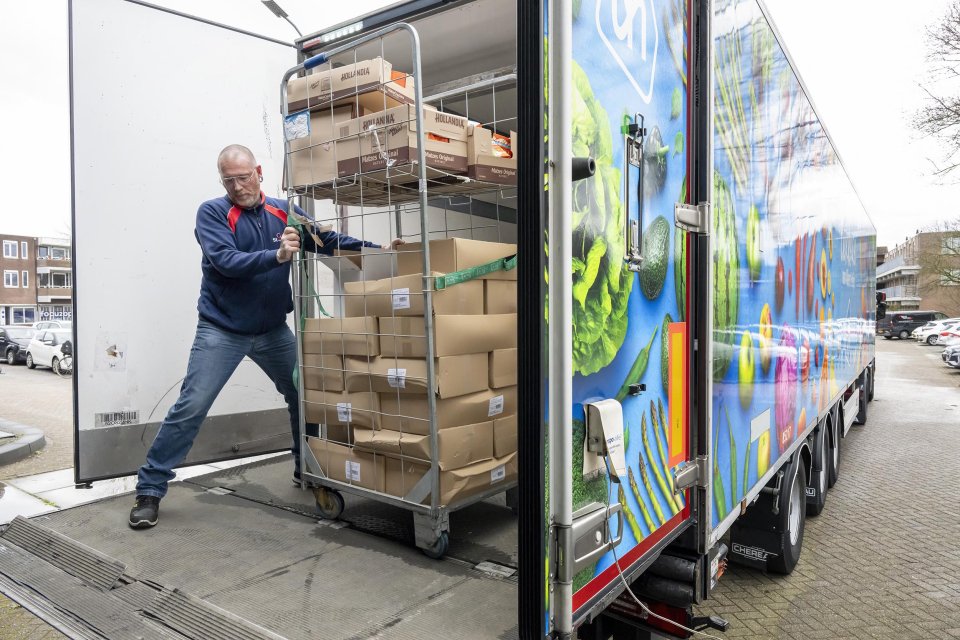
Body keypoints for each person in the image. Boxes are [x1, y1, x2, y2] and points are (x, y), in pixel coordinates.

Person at [129, 144, 401, 529]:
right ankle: (150, 490)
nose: (238, 186)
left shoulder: (284, 212)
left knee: (303, 395)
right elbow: (224, 260)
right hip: (222, 329)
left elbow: (326, 238)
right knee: (192, 405)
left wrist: (377, 249)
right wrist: (274, 257)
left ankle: (304, 469)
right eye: (229, 180)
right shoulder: (213, 213)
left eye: (244, 177)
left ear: (258, 171)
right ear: (222, 180)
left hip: (273, 330)